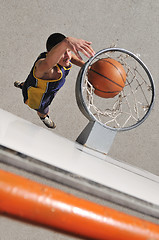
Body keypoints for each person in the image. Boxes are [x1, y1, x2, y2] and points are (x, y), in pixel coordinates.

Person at [14, 33, 95, 128]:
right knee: (43, 110)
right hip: (40, 97)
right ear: (50, 53)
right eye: (63, 53)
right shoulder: (45, 68)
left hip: (33, 83)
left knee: (29, 84)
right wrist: (66, 41)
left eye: (69, 51)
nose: (68, 56)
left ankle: (23, 85)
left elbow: (72, 57)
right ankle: (44, 118)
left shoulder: (64, 58)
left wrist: (87, 66)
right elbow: (48, 63)